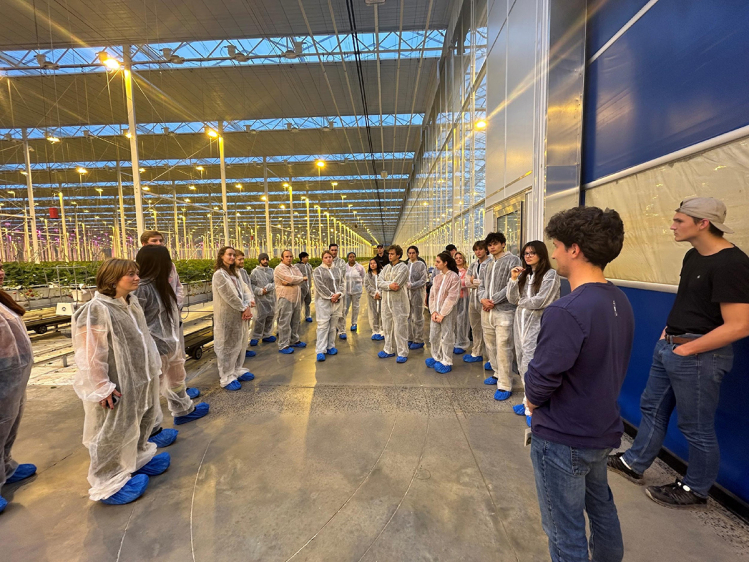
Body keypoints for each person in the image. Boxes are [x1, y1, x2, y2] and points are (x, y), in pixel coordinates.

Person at [608, 197, 749, 508]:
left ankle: (695, 489)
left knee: (695, 426)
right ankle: (634, 463)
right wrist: (668, 334)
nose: (672, 225)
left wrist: (689, 349)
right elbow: (690, 303)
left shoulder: (733, 264)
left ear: (703, 223)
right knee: (652, 408)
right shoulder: (692, 257)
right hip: (671, 346)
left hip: (700, 356)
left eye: (679, 221)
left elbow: (739, 325)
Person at [524, 206, 633, 562]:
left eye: (556, 245)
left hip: (562, 437)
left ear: (575, 249)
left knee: (564, 530)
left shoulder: (567, 310)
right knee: (602, 511)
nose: (552, 253)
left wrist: (532, 403)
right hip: (599, 429)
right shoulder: (618, 299)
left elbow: (541, 379)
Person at [72, 259, 170, 505]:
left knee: (141, 419)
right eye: (130, 274)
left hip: (141, 377)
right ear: (112, 279)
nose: (137, 278)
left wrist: (153, 366)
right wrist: (101, 386)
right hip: (118, 383)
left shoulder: (131, 302)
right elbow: (90, 354)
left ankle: (136, 459)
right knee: (112, 431)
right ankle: (108, 482)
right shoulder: (96, 309)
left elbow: (144, 339)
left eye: (136, 273)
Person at [134, 246, 210, 442]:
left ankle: (183, 409)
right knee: (150, 390)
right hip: (153, 348)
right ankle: (151, 433)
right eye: (166, 261)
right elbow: (136, 324)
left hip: (170, 341)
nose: (170, 265)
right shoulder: (142, 288)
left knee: (176, 377)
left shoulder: (161, 283)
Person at [507, 241, 560, 427]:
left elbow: (541, 301)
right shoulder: (525, 275)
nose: (528, 256)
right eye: (526, 253)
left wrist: (521, 302)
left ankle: (534, 407)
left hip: (538, 327)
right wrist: (513, 279)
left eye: (532, 253)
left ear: (542, 254)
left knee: (532, 365)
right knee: (522, 362)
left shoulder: (550, 275)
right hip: (520, 325)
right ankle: (526, 400)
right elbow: (512, 299)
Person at [141, 230, 198, 398]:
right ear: (144, 244)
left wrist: (176, 306)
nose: (159, 243)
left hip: (173, 318)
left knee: (177, 356)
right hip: (154, 326)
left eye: (161, 241)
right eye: (154, 241)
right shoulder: (141, 272)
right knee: (157, 363)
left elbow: (179, 287)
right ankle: (158, 396)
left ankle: (180, 392)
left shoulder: (170, 266)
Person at [0, 262, 36, 514]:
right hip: (5, 375)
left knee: (8, 422)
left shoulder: (2, 299)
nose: (2, 272)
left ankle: (5, 466)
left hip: (13, 377)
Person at [479, 232, 522, 400]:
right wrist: (483, 299)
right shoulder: (488, 264)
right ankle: (497, 373)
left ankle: (505, 384)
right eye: (489, 244)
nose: (492, 247)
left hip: (504, 310)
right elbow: (481, 284)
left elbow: (512, 285)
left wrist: (493, 300)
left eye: (495, 243)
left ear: (503, 244)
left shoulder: (513, 260)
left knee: (503, 347)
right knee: (490, 344)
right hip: (487, 310)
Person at [212, 247, 254, 391]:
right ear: (221, 256)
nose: (232, 257)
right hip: (227, 316)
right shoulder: (219, 275)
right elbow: (229, 295)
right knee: (227, 346)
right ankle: (226, 376)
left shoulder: (234, 273)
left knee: (240, 343)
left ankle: (236, 370)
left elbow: (244, 289)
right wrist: (244, 308)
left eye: (233, 255)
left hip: (240, 314)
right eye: (229, 255)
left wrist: (248, 304)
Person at [426, 252, 461, 374]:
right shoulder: (437, 278)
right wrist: (433, 311)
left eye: (438, 262)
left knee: (447, 336)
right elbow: (432, 296)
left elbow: (452, 298)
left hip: (447, 313)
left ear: (445, 263)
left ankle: (447, 360)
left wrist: (442, 313)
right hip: (435, 312)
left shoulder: (454, 277)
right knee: (434, 335)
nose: (435, 264)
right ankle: (436, 356)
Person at [378, 245, 410, 363]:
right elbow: (379, 281)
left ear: (398, 255)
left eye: (392, 254)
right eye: (389, 254)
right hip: (386, 303)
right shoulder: (386, 267)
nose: (390, 256)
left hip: (399, 303)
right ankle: (388, 349)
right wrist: (388, 285)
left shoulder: (403, 268)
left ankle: (402, 352)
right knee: (387, 326)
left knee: (400, 327)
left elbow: (397, 284)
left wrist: (387, 285)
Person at [274, 250, 307, 354]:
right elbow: (289, 278)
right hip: (285, 298)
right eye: (287, 256)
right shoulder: (279, 268)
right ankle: (283, 345)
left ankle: (294, 340)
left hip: (296, 298)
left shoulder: (294, 267)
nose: (289, 258)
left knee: (295, 320)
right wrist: (296, 280)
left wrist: (293, 281)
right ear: (282, 258)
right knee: (285, 321)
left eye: (291, 256)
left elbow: (300, 277)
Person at [313, 250, 344, 361]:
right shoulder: (318, 271)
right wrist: (331, 296)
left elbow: (342, 284)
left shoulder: (338, 270)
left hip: (337, 301)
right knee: (322, 326)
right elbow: (320, 286)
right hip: (324, 302)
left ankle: (331, 346)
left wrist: (338, 294)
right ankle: (320, 350)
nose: (328, 259)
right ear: (322, 259)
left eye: (330, 257)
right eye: (326, 257)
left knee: (332, 326)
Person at [464, 240, 489, 363]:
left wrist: (474, 281)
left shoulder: (491, 264)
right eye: (476, 249)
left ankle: (490, 358)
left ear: (485, 250)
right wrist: (474, 282)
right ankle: (476, 352)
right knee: (475, 328)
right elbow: (466, 282)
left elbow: (487, 283)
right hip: (473, 300)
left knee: (488, 330)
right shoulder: (473, 265)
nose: (478, 252)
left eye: (480, 249)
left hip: (484, 301)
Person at [234, 251, 257, 358]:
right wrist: (243, 305)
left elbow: (247, 286)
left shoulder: (242, 272)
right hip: (237, 307)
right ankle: (237, 352)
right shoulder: (228, 273)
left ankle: (244, 349)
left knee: (245, 329)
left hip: (246, 305)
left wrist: (251, 299)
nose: (242, 261)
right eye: (240, 259)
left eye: (243, 259)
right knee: (236, 332)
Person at [250, 253, 276, 345]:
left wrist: (269, 288)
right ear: (260, 260)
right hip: (260, 299)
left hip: (271, 298)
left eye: (266, 259)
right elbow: (251, 285)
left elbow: (275, 282)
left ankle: (266, 335)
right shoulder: (255, 272)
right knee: (259, 318)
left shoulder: (272, 271)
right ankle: (255, 336)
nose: (265, 261)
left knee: (270, 316)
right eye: (263, 259)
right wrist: (260, 290)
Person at [405, 246, 428, 350]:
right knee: (408, 316)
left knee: (418, 317)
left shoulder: (421, 265)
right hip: (406, 293)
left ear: (417, 253)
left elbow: (424, 279)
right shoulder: (406, 265)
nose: (411, 255)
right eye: (409, 253)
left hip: (418, 293)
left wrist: (412, 285)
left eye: (413, 253)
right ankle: (410, 337)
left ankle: (418, 339)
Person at [343, 252, 366, 333]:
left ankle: (354, 323)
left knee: (355, 307)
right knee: (345, 308)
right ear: (348, 258)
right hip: (346, 291)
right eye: (350, 257)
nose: (352, 258)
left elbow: (363, 277)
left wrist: (360, 286)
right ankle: (341, 324)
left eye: (353, 256)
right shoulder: (344, 267)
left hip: (356, 291)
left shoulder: (360, 267)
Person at [453, 252, 471, 355]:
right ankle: (455, 341)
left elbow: (466, 283)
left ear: (463, 259)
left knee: (462, 322)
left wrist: (456, 283)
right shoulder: (452, 271)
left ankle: (462, 343)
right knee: (454, 322)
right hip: (453, 299)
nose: (458, 259)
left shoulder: (467, 271)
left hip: (463, 299)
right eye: (456, 258)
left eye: (460, 258)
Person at [330, 243, 348, 338]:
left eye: (335, 250)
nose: (334, 252)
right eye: (332, 250)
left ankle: (342, 330)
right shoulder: (325, 262)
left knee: (342, 310)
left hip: (340, 289)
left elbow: (341, 274)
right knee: (330, 311)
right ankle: (333, 328)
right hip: (329, 291)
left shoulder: (341, 262)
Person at [364, 258, 384, 340]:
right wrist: (374, 293)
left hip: (382, 297)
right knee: (373, 313)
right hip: (372, 297)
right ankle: (375, 330)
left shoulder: (382, 273)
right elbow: (366, 285)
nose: (372, 265)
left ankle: (382, 331)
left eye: (374, 263)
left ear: (377, 264)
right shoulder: (368, 275)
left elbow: (384, 283)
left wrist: (380, 293)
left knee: (382, 313)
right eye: (371, 263)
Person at [297, 252, 314, 322]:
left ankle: (308, 315)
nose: (307, 258)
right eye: (306, 257)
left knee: (308, 302)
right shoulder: (297, 266)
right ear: (302, 258)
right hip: (301, 287)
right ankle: (298, 318)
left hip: (308, 287)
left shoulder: (309, 266)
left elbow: (312, 273)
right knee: (299, 303)